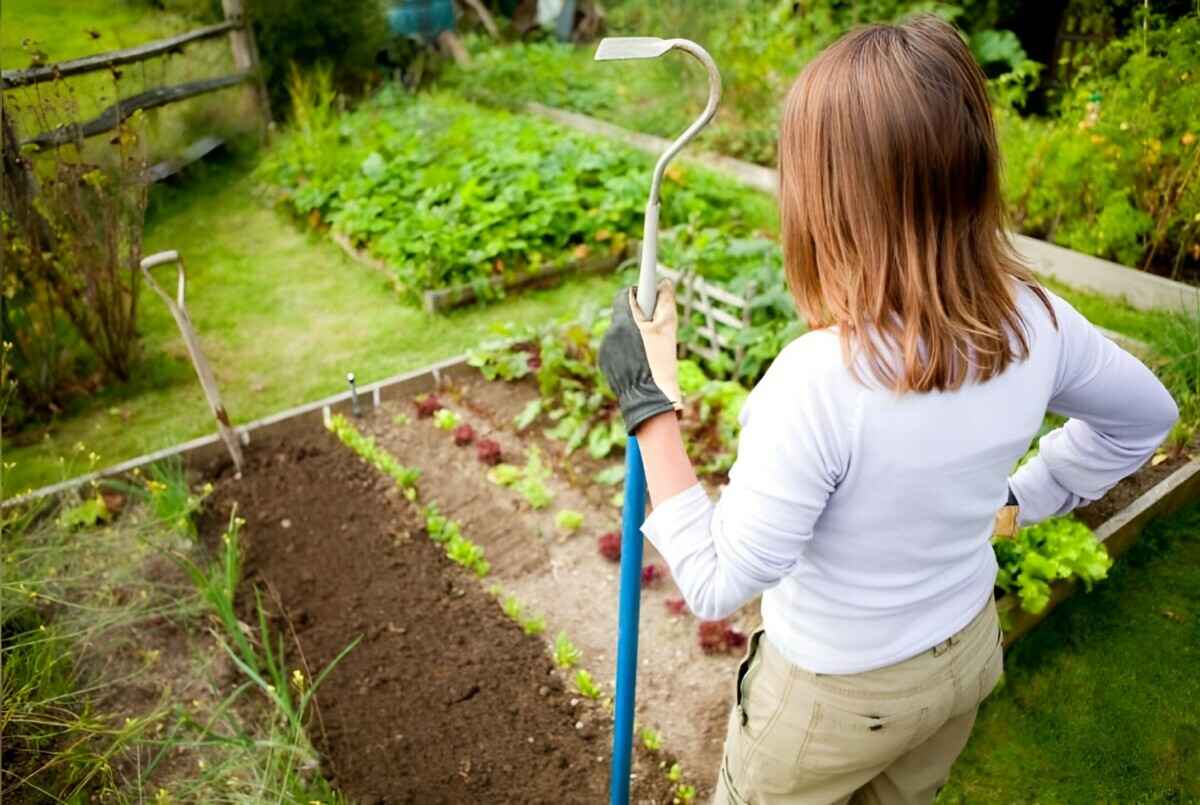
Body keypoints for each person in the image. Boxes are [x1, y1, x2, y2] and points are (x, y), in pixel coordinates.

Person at [597, 14, 1178, 805]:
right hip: (963, 659)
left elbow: (718, 579)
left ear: (833, 200)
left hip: (832, 702)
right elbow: (1146, 416)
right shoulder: (1038, 321)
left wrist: (648, 405)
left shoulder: (818, 383)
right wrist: (1022, 499)